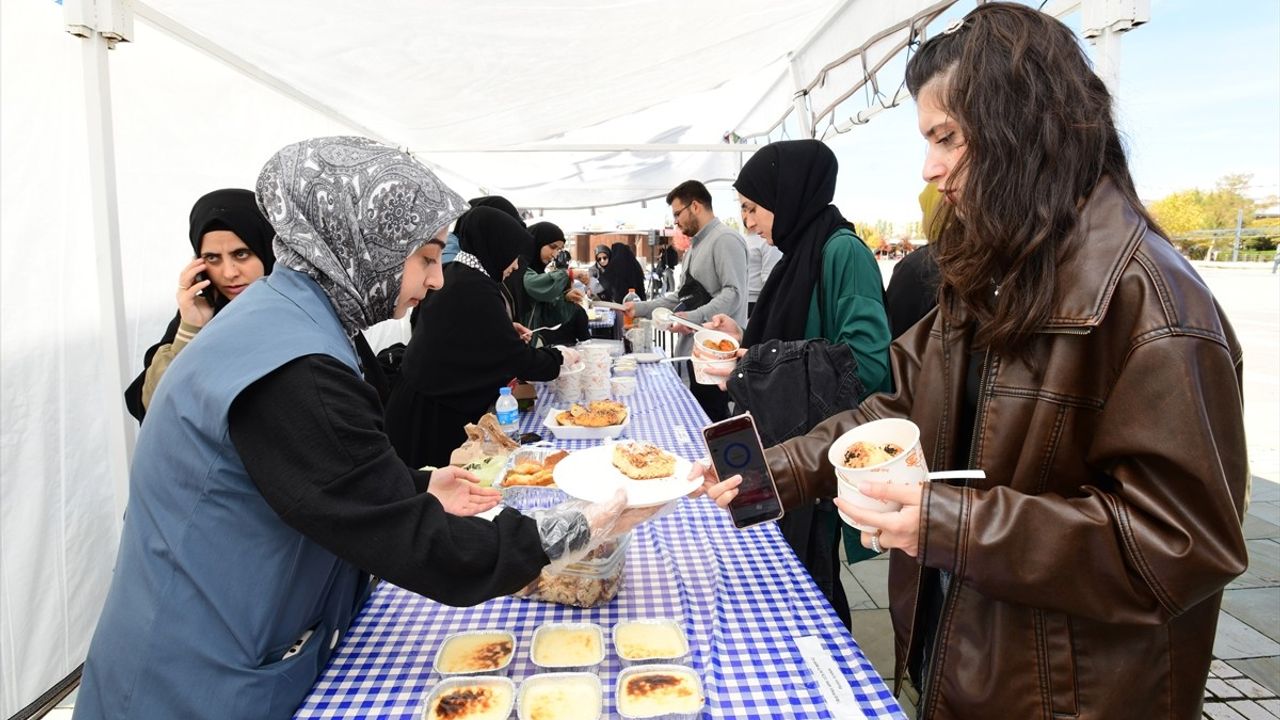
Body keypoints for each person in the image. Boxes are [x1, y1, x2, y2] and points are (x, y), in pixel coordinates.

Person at [695, 5, 1248, 718]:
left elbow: (1180, 545)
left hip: (1067, 696)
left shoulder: (1155, 304)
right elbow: (894, 407)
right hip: (965, 654)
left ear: (1025, 126)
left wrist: (949, 523)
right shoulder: (995, 273)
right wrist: (767, 469)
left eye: (946, 137)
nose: (930, 168)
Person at [78, 137, 651, 720]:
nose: (436, 282)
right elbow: (412, 541)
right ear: (358, 245)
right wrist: (570, 531)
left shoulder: (285, 317)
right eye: (426, 258)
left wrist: (415, 485)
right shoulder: (292, 366)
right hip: (192, 680)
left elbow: (321, 470)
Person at [703, 139, 893, 626]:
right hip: (788, 443)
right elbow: (802, 340)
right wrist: (745, 343)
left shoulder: (842, 252)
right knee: (791, 574)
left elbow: (868, 362)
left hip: (817, 450)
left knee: (815, 580)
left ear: (786, 194)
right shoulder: (797, 255)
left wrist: (760, 362)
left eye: (750, 207)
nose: (746, 221)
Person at [385, 207, 576, 469]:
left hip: (421, 400)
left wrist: (504, 330)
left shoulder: (459, 274)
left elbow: (469, 336)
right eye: (513, 256)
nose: (516, 265)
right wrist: (559, 356)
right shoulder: (474, 288)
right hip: (430, 416)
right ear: (496, 247)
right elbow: (516, 360)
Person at [123, 189, 275, 421]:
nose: (229, 273)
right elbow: (156, 409)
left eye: (242, 254)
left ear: (267, 248)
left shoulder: (300, 309)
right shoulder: (204, 312)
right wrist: (190, 329)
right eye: (212, 258)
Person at [628, 180, 747, 421]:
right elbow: (680, 297)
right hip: (695, 354)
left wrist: (691, 318)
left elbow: (733, 293)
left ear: (695, 206)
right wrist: (638, 308)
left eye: (677, 214)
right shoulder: (695, 246)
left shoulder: (725, 239)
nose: (676, 223)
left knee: (715, 422)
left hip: (717, 356)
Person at [517, 221, 592, 346]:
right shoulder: (517, 268)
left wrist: (565, 299)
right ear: (537, 242)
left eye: (559, 249)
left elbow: (548, 318)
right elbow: (532, 285)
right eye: (552, 247)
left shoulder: (536, 271)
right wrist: (569, 274)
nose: (555, 254)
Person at [743, 224, 782, 317]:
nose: (746, 216)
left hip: (756, 303)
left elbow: (769, 279)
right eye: (743, 210)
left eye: (752, 210)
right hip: (740, 302)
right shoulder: (742, 239)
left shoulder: (767, 241)